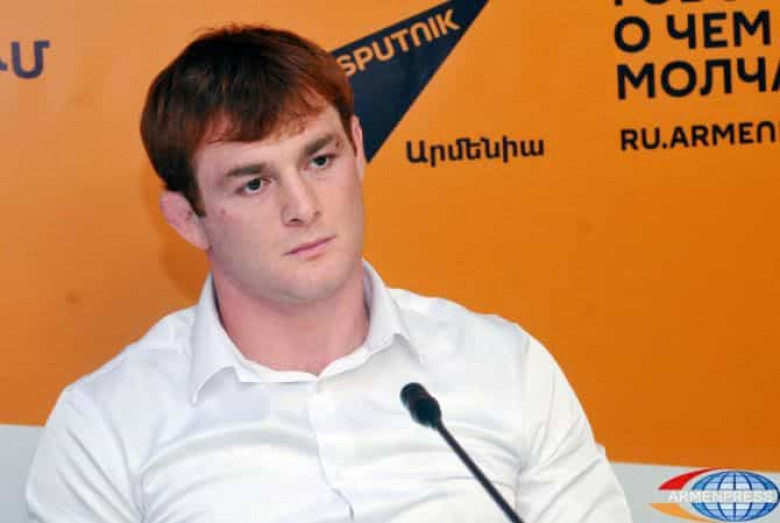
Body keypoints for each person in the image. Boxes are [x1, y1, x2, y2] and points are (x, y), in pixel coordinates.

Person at [26, 25, 633, 523]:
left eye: (319, 159)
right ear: (189, 219)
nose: (303, 207)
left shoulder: (504, 367)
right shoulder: (104, 428)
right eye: (254, 183)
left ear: (359, 150)